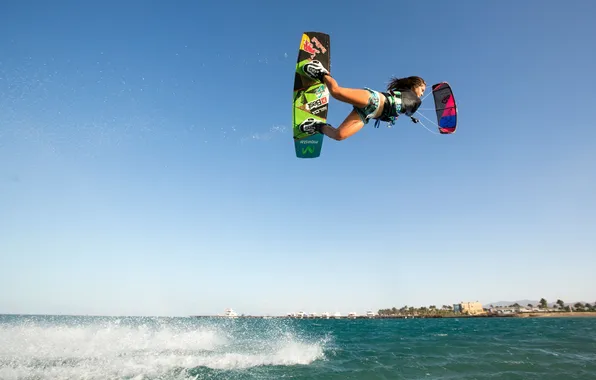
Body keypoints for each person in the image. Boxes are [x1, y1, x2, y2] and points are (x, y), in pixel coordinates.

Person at [298, 60, 426, 141]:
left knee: (340, 135)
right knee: (336, 92)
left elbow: (406, 110)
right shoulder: (414, 99)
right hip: (372, 99)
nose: (422, 93)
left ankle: (317, 126)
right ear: (415, 84)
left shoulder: (411, 101)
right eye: (422, 89)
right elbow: (410, 106)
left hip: (367, 114)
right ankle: (321, 73)